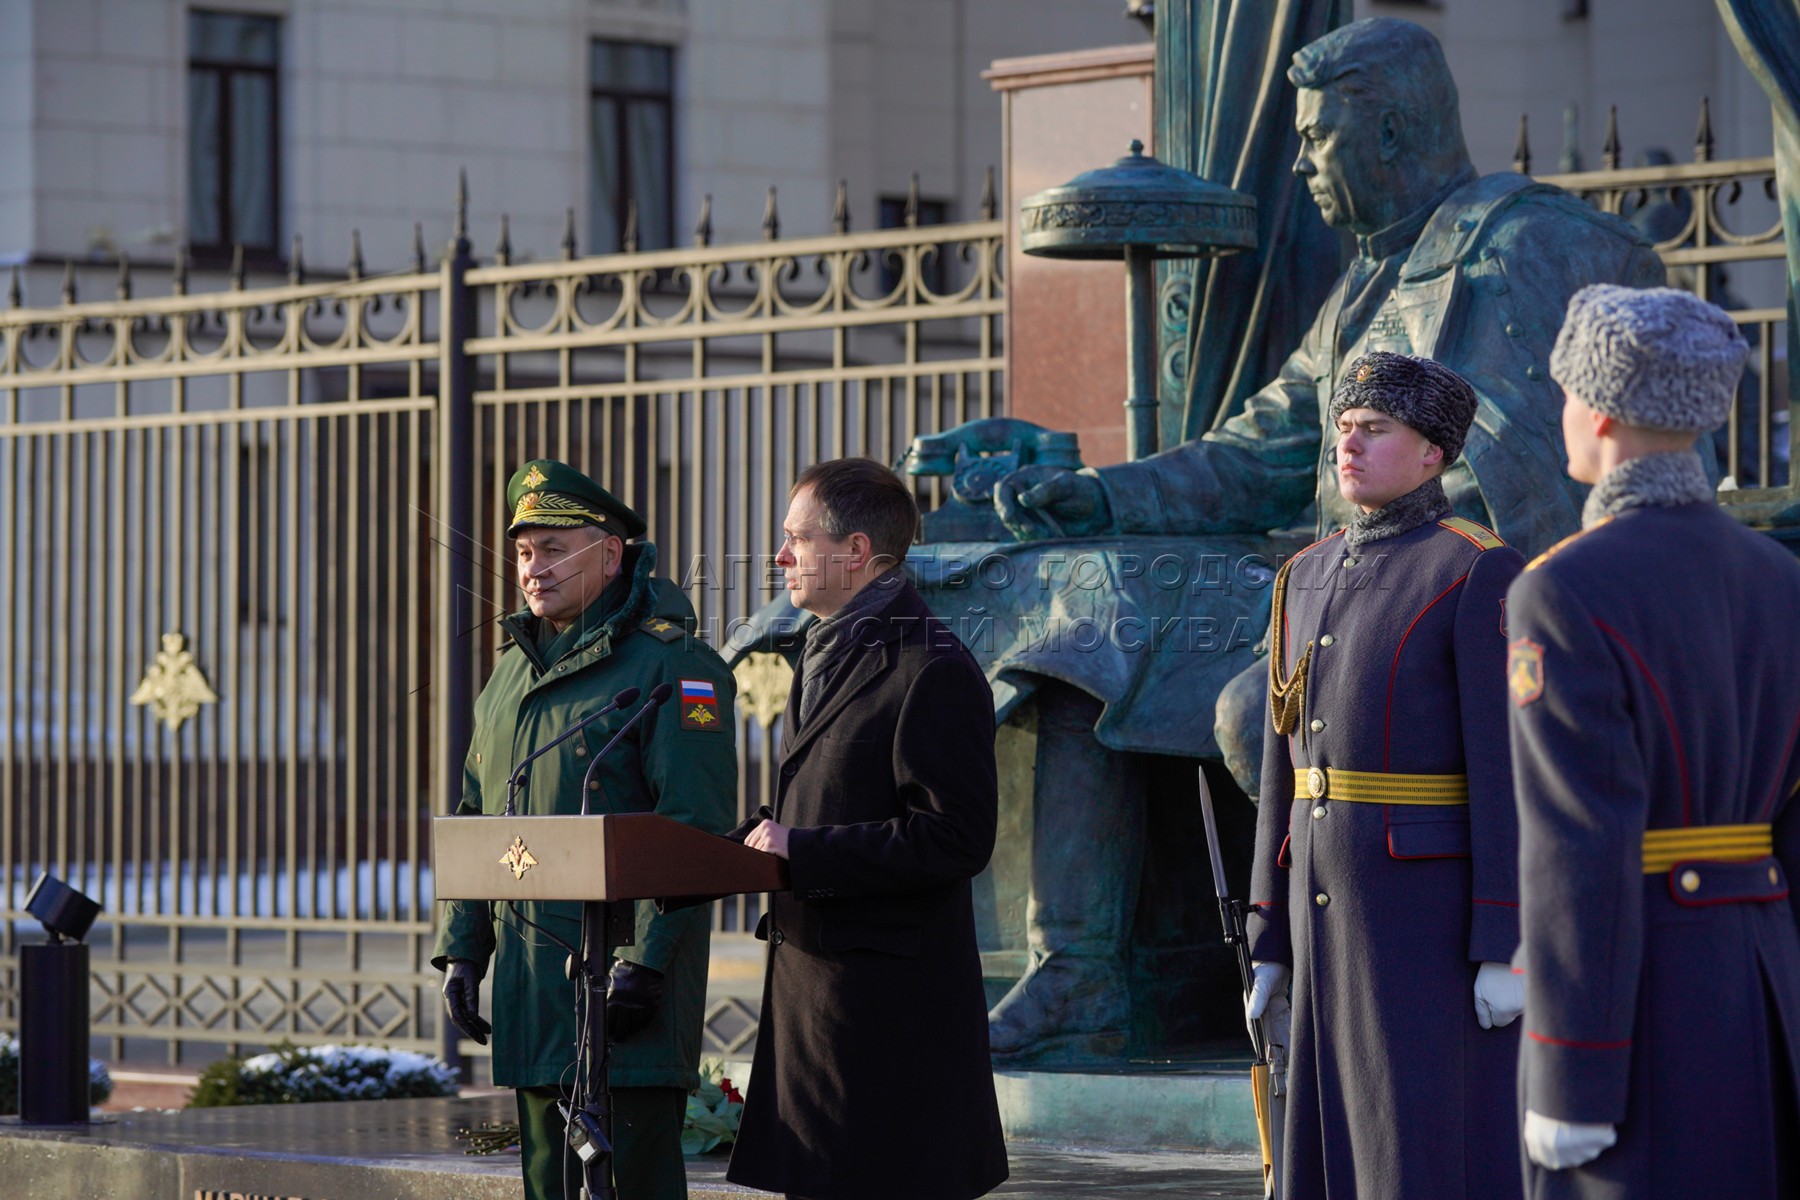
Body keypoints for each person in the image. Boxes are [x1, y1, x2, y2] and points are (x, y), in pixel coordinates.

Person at [976, 15, 1665, 1061]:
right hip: (1333, 581)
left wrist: (1378, 549)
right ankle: (1086, 976)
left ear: (1389, 132)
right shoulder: (1365, 282)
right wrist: (1107, 496)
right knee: (1081, 636)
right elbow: (1262, 444)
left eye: (1320, 137)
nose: (1300, 161)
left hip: (1446, 610)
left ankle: (1340, 955)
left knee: (1260, 710)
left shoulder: (1526, 243)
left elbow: (1515, 479)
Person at [1508, 285, 1800, 1196]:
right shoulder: (1780, 575)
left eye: (1564, 393)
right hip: (1762, 987)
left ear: (1596, 413)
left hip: (1638, 1007)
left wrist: (1569, 1072)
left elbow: (1577, 846)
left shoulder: (1560, 591)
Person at [1243, 352, 1526, 1198]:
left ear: (1433, 453)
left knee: (1423, 1148)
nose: (1350, 446)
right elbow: (1282, 774)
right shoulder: (1305, 573)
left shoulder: (1475, 569)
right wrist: (1268, 934)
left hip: (1424, 924)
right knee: (1327, 1155)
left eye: (1375, 430)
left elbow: (1507, 772)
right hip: (1320, 914)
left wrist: (1505, 943)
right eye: (1343, 429)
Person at [432, 459, 738, 1200]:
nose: (535, 569)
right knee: (551, 1187)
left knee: (630, 1187)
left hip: (625, 998)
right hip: (535, 992)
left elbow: (693, 829)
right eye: (524, 551)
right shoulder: (512, 674)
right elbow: (480, 819)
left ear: (610, 553)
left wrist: (647, 962)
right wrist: (463, 950)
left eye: (555, 548)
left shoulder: (676, 665)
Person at [725, 457, 1008, 1200]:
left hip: (886, 1037)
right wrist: (727, 852)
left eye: (796, 538)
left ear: (855, 551)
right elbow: (828, 804)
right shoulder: (825, 648)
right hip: (817, 1017)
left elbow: (955, 837)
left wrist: (804, 850)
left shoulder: (931, 665)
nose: (780, 556)